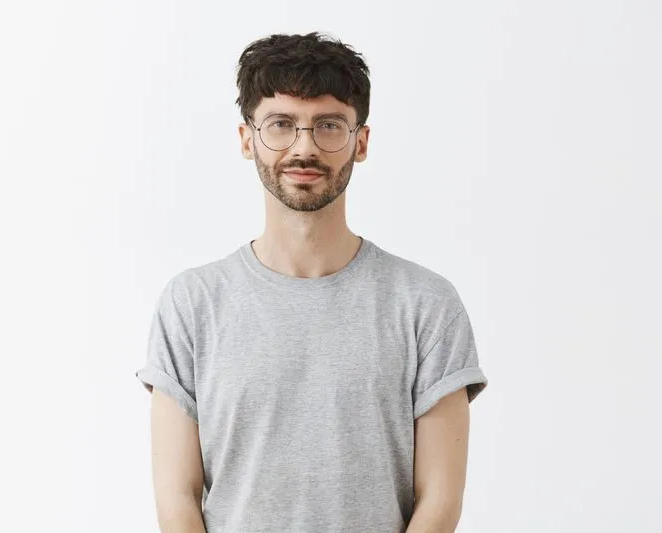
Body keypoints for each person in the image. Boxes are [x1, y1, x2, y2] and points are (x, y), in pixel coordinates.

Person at [135, 31, 488, 533]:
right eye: (281, 124)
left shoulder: (426, 305)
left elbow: (439, 501)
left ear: (360, 142)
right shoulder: (191, 304)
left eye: (328, 125)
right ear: (247, 139)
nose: (304, 147)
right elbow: (177, 501)